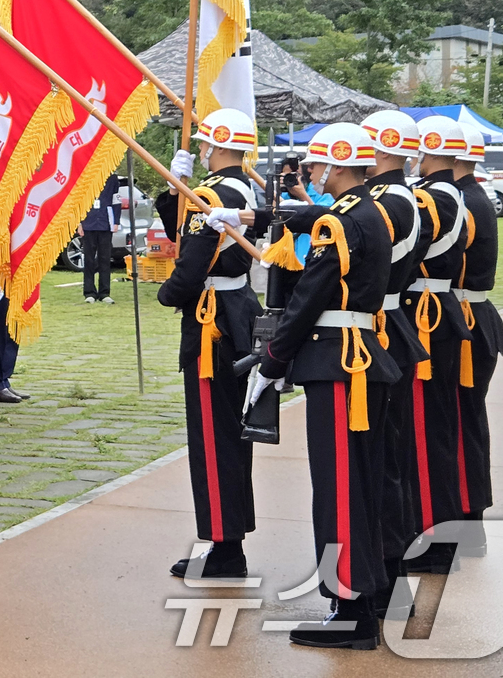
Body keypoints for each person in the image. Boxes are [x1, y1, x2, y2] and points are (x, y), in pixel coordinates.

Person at [253, 123, 399, 650]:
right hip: (358, 359)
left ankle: (351, 608)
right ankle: (364, 593)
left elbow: (309, 297)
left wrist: (272, 359)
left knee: (338, 487)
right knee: (360, 481)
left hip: (335, 362)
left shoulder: (341, 223)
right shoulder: (371, 212)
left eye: (316, 166)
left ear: (337, 165)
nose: (311, 174)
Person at [155, 108, 263, 580]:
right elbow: (190, 227)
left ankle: (224, 548)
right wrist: (170, 193)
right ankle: (228, 540)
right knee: (230, 435)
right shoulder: (244, 189)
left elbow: (191, 258)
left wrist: (168, 294)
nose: (198, 149)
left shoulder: (211, 195)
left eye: (203, 143)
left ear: (215, 146)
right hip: (238, 312)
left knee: (213, 439)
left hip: (211, 324)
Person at [359, 110, 432, 613]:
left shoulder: (388, 201)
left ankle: (386, 572)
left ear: (379, 149)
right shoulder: (401, 196)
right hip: (393, 324)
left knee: (381, 463)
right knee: (388, 460)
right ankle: (390, 566)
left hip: (380, 327)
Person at [402, 115, 472, 574]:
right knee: (430, 429)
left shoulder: (432, 197)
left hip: (427, 316)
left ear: (427, 152)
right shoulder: (450, 194)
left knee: (427, 433)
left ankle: (437, 539)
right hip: (435, 312)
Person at [451, 123, 503, 548]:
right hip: (471, 315)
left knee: (457, 424)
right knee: (465, 423)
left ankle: (465, 523)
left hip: (463, 318)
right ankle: (468, 523)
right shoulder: (472, 196)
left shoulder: (464, 202)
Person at [80, 173, 121, 304]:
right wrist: (79, 223)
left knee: (105, 259)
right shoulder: (84, 176)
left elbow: (116, 200)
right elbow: (78, 201)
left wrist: (116, 222)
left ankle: (104, 293)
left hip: (105, 222)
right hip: (88, 222)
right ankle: (89, 292)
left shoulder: (112, 178)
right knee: (89, 259)